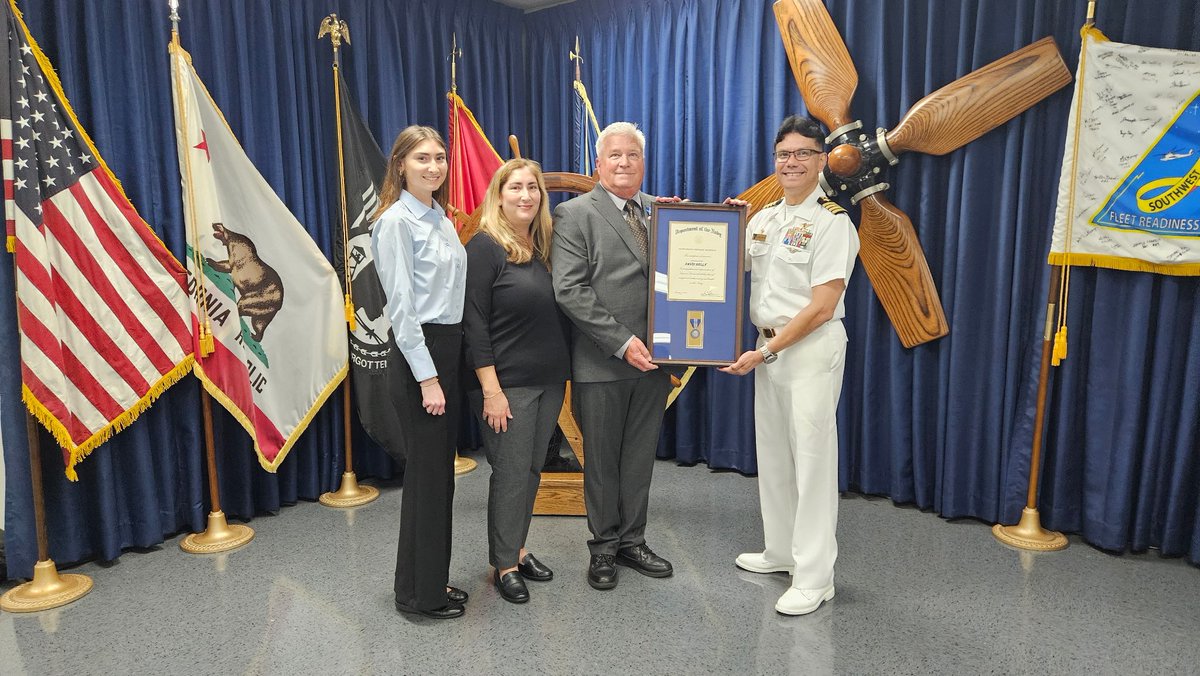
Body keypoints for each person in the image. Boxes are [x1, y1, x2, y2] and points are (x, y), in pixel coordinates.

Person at [720, 115, 859, 616]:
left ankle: (816, 576)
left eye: (803, 153)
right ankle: (781, 551)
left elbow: (822, 306)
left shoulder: (832, 222)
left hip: (809, 350)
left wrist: (768, 351)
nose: (791, 162)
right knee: (775, 455)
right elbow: (724, 264)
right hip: (768, 350)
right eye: (784, 154)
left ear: (822, 160)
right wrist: (717, 225)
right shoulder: (764, 219)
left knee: (813, 463)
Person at [551, 122, 681, 590]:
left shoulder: (662, 211)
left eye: (633, 155)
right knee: (602, 461)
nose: (624, 162)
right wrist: (624, 342)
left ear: (643, 163)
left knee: (640, 457)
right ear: (598, 164)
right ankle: (603, 549)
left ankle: (633, 541)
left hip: (655, 362)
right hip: (603, 361)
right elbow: (569, 289)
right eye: (615, 156)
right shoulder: (573, 214)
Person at [371, 125, 469, 620]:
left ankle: (424, 582)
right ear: (401, 165)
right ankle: (421, 597)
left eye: (440, 158)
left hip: (446, 351)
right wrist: (428, 378)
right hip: (419, 358)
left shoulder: (441, 219)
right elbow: (403, 309)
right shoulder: (395, 223)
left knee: (438, 480)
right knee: (429, 479)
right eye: (422, 158)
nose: (434, 166)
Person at [463, 159, 570, 604]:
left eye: (533, 188)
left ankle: (518, 547)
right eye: (516, 187)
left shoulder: (543, 246)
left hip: (548, 381)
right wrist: (491, 390)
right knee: (509, 474)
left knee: (529, 472)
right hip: (505, 386)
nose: (526, 195)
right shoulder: (485, 247)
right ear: (498, 194)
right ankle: (503, 563)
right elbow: (473, 323)